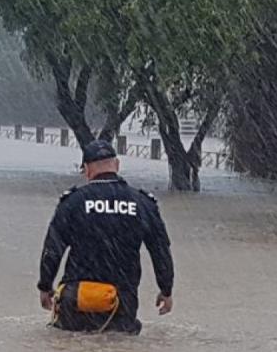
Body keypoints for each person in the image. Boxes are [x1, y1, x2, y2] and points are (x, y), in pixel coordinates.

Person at [37, 139, 174, 334]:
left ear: (86, 170)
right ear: (117, 165)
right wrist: (166, 289)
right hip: (121, 301)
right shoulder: (142, 203)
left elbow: (52, 249)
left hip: (76, 300)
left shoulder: (73, 202)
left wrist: (45, 286)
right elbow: (160, 251)